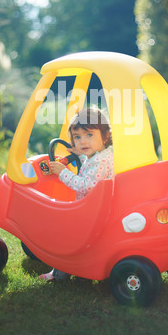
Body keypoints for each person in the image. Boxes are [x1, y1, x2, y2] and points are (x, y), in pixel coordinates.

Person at [38, 107, 114, 282]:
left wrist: (63, 172)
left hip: (91, 215)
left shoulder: (100, 161)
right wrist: (80, 157)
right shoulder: (103, 155)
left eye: (89, 135)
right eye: (77, 137)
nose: (82, 141)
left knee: (64, 232)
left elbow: (86, 185)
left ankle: (60, 273)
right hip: (98, 210)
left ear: (106, 136)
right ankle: (76, 268)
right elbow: (90, 169)